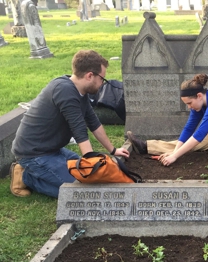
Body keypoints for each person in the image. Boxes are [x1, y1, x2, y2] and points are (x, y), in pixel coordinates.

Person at [10, 49, 130, 198]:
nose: (102, 84)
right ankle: (26, 177)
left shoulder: (80, 91)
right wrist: (92, 169)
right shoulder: (64, 91)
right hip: (34, 154)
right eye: (102, 79)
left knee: (85, 179)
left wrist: (113, 150)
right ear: (90, 76)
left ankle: (33, 173)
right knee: (79, 192)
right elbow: (79, 131)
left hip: (54, 149)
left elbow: (93, 122)